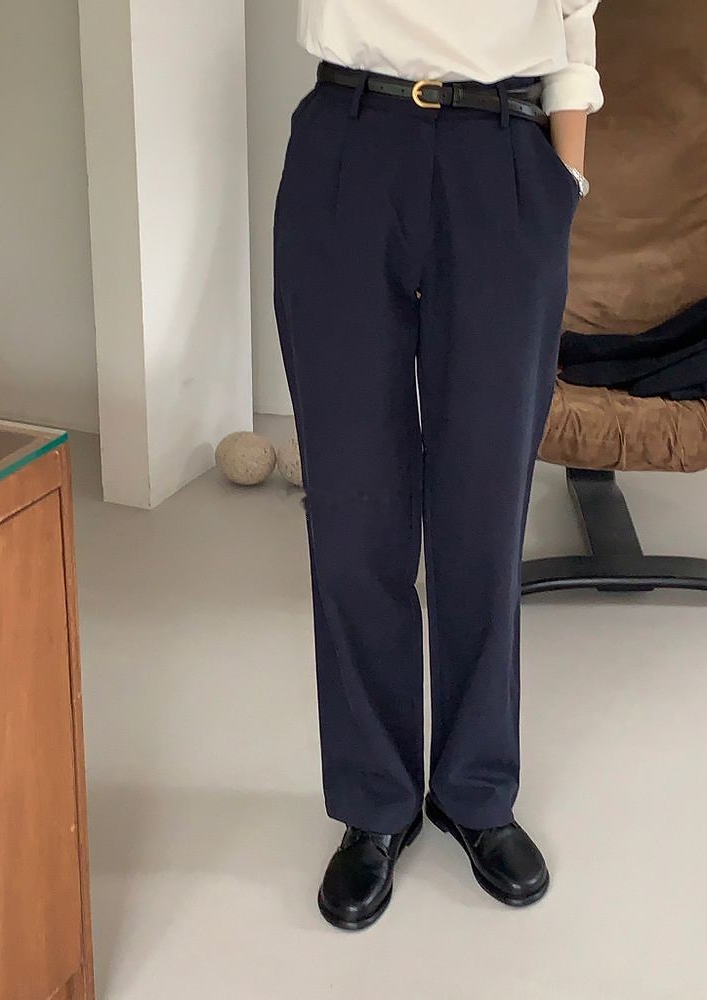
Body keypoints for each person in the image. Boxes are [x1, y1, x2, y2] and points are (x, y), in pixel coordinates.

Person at [273, 0, 604, 931]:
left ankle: (476, 789)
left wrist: (563, 181)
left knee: (485, 505)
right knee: (352, 506)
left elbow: (573, 18)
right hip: (349, 138)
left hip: (503, 151)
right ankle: (375, 801)